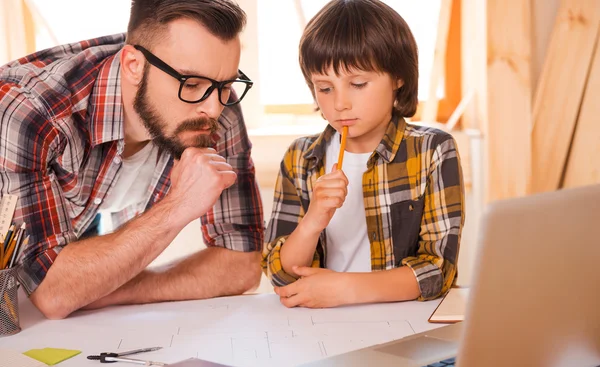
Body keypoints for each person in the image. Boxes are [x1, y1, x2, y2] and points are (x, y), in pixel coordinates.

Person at [0, 0, 264, 319]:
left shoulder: (216, 104)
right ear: (133, 65)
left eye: (224, 84)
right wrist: (178, 206)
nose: (214, 108)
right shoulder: (31, 113)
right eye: (191, 84)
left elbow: (242, 264)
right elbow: (53, 291)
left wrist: (110, 289)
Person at [262, 0, 465, 308]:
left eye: (357, 83)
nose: (340, 103)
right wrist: (313, 220)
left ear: (398, 78)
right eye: (325, 88)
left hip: (404, 324)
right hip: (321, 326)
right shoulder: (300, 158)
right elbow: (281, 276)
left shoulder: (432, 150)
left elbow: (438, 271)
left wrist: (346, 288)